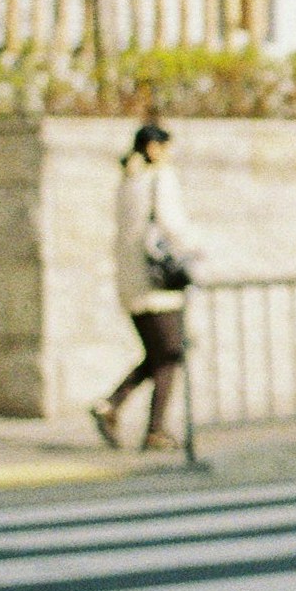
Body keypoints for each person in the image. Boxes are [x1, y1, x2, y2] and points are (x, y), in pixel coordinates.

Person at [92, 122, 192, 451]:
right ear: (153, 148)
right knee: (170, 354)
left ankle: (111, 406)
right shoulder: (159, 178)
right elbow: (172, 223)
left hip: (132, 282)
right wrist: (196, 251)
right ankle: (154, 430)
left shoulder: (127, 181)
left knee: (159, 353)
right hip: (159, 283)